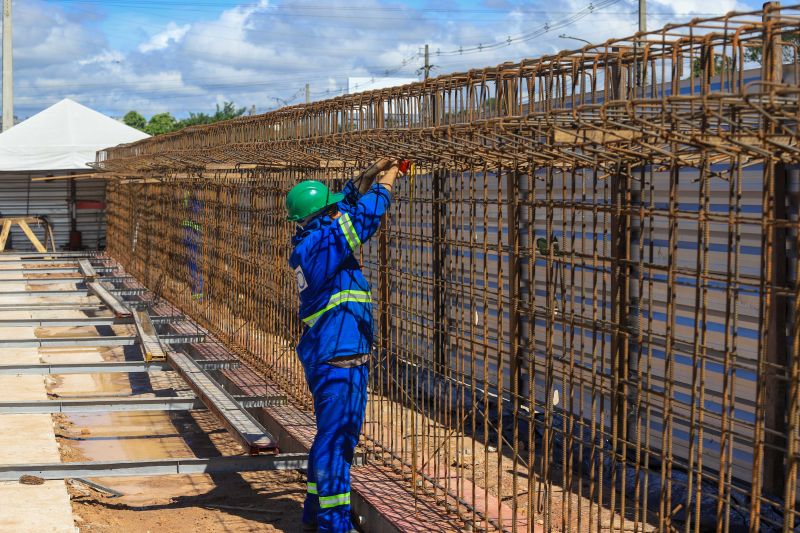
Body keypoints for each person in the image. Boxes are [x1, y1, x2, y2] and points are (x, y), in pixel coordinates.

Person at [285, 158, 407, 533]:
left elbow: (344, 211)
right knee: (337, 441)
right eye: (333, 206)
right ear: (323, 215)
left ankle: (314, 513)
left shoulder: (314, 241)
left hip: (333, 353)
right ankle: (334, 525)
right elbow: (361, 221)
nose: (339, 209)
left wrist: (362, 181)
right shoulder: (323, 244)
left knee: (330, 437)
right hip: (339, 357)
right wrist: (385, 187)